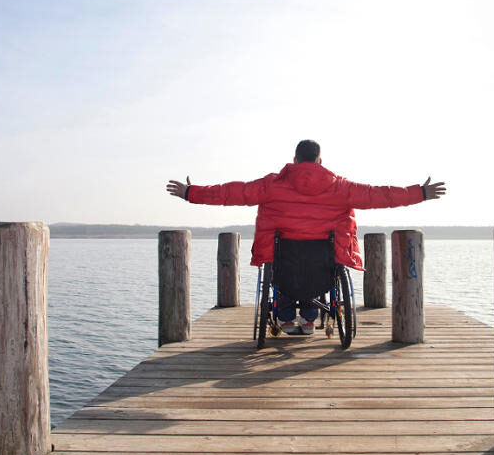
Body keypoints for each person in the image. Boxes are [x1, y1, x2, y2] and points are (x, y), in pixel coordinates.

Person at [166, 139, 446, 335]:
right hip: (323, 264)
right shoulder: (341, 188)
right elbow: (380, 195)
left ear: (295, 160)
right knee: (321, 266)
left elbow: (230, 193)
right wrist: (419, 193)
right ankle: (311, 318)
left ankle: (286, 317)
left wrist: (192, 193)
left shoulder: (271, 185)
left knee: (283, 266)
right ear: (319, 160)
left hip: (282, 259)